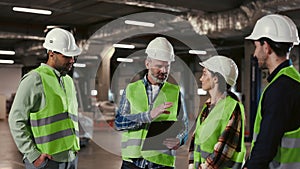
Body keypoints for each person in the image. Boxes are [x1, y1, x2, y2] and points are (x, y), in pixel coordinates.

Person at [8, 28, 82, 169]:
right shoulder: (35, 79)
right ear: (51, 53)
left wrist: (74, 146)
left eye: (73, 56)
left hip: (70, 157)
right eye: (67, 56)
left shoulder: (68, 81)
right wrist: (33, 155)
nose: (72, 60)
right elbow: (16, 119)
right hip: (46, 161)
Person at [115, 37, 188, 169]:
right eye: (159, 66)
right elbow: (119, 123)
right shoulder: (131, 89)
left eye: (167, 66)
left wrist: (180, 139)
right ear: (147, 64)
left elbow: (184, 125)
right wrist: (147, 116)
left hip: (162, 163)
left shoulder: (175, 92)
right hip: (133, 163)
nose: (164, 71)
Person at [243, 14, 300, 169]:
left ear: (266, 46)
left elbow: (265, 148)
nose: (255, 54)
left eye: (256, 46)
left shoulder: (279, 90)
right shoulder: (294, 80)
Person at [189, 55, 246, 169]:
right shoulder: (208, 107)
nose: (201, 79)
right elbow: (195, 142)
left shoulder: (232, 108)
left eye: (205, 74)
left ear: (216, 79)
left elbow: (223, 153)